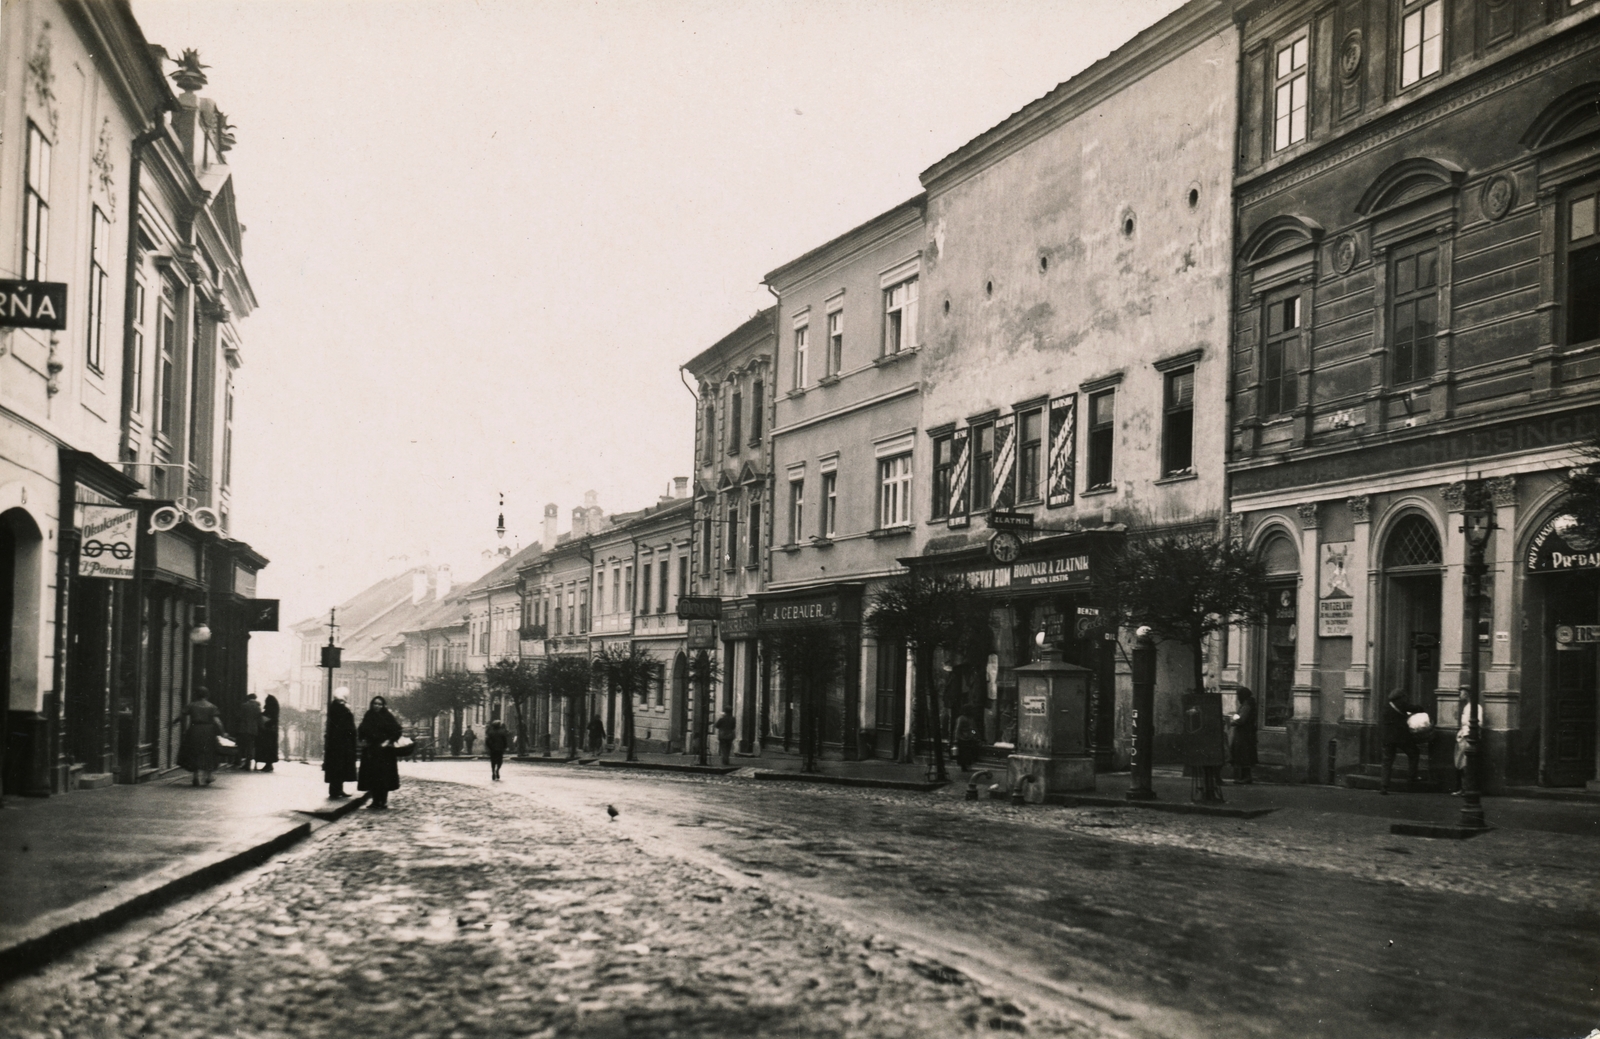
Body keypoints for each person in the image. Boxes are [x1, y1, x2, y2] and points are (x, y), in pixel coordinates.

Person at [358, 695, 404, 809]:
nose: (377, 706)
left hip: (385, 752)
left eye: (380, 704)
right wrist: (362, 738)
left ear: (383, 706)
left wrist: (388, 741)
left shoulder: (387, 716)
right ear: (372, 704)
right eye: (375, 704)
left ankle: (382, 800)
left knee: (384, 777)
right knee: (372, 776)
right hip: (372, 750)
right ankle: (375, 800)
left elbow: (397, 730)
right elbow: (362, 729)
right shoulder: (368, 715)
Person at [177, 687, 226, 787]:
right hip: (208, 731)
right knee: (209, 752)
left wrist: (173, 722)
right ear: (207, 695)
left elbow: (181, 716)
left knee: (194, 752)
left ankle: (195, 777)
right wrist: (222, 732)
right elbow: (218, 722)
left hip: (194, 730)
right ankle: (208, 776)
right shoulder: (212, 706)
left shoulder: (191, 705)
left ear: (196, 695)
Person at [1379, 687, 1420, 795]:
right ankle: (1411, 780)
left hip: (1387, 738)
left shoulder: (1386, 706)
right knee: (1414, 753)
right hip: (1401, 738)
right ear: (1401, 697)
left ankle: (1384, 786)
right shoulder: (1401, 703)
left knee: (1387, 761)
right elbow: (1417, 708)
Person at [323, 688, 359, 798]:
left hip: (337, 744)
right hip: (341, 744)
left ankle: (337, 789)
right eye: (341, 701)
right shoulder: (341, 710)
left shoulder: (334, 709)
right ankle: (336, 790)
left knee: (338, 768)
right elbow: (348, 727)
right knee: (338, 767)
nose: (343, 703)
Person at [1452, 691, 1483, 796]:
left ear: (1467, 695)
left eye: (1462, 693)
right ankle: (1463, 788)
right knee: (1460, 762)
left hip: (1468, 737)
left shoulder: (1476, 707)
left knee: (1465, 763)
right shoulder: (1466, 707)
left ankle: (1467, 788)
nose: (1460, 696)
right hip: (1463, 736)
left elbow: (1479, 722)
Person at [1229, 686, 1259, 784]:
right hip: (1246, 732)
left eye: (1239, 695)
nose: (1238, 698)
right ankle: (1244, 777)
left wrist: (1233, 721)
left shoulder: (1247, 705)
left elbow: (1241, 719)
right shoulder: (1249, 704)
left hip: (1244, 733)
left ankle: (1246, 777)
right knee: (1243, 754)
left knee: (1243, 754)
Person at [237, 692, 262, 771]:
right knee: (250, 747)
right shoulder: (257, 707)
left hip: (243, 729)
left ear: (248, 698)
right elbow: (259, 718)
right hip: (253, 729)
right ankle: (248, 764)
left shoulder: (244, 705)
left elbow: (239, 716)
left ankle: (239, 762)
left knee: (241, 746)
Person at [259, 693, 280, 772]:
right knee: (270, 749)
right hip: (272, 732)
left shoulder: (270, 710)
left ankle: (268, 765)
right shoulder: (274, 710)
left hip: (269, 732)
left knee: (267, 748)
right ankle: (269, 764)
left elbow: (270, 719)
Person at [485, 716, 510, 781]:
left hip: (492, 749)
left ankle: (493, 772)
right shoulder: (502, 732)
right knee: (499, 761)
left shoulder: (490, 733)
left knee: (493, 761)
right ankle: (497, 770)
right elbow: (505, 741)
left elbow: (487, 741)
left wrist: (489, 748)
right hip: (499, 749)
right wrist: (505, 747)